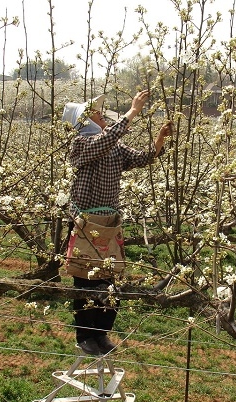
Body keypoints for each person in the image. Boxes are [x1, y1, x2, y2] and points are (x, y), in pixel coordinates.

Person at [62, 90, 173, 356]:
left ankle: (101, 335)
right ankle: (85, 336)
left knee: (111, 281)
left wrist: (159, 140)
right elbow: (107, 139)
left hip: (108, 222)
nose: (102, 116)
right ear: (85, 120)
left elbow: (141, 158)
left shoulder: (112, 145)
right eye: (96, 113)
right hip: (86, 223)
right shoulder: (82, 144)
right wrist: (133, 111)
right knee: (86, 281)